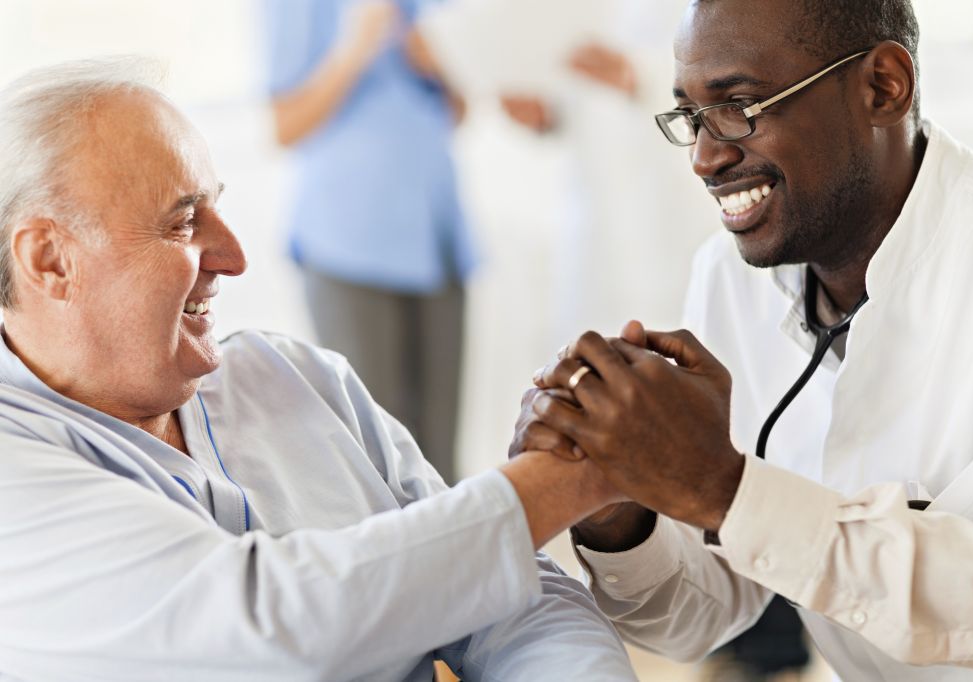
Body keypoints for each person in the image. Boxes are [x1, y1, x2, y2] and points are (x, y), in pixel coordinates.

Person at [0, 59, 639, 681]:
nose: (235, 256)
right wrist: (578, 473)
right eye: (184, 222)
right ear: (51, 260)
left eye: (217, 208)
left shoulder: (295, 374)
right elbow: (271, 630)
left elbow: (511, 597)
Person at [514, 0, 973, 680]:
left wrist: (724, 490)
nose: (704, 157)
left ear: (882, 87)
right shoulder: (730, 279)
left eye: (741, 106)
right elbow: (709, 611)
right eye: (691, 117)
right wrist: (618, 502)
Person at [263, 0, 473, 483]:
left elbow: (458, 109)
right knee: (378, 461)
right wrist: (355, 48)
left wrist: (438, 64)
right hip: (349, 244)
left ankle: (455, 560)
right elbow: (284, 125)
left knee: (441, 458)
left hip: (438, 239)